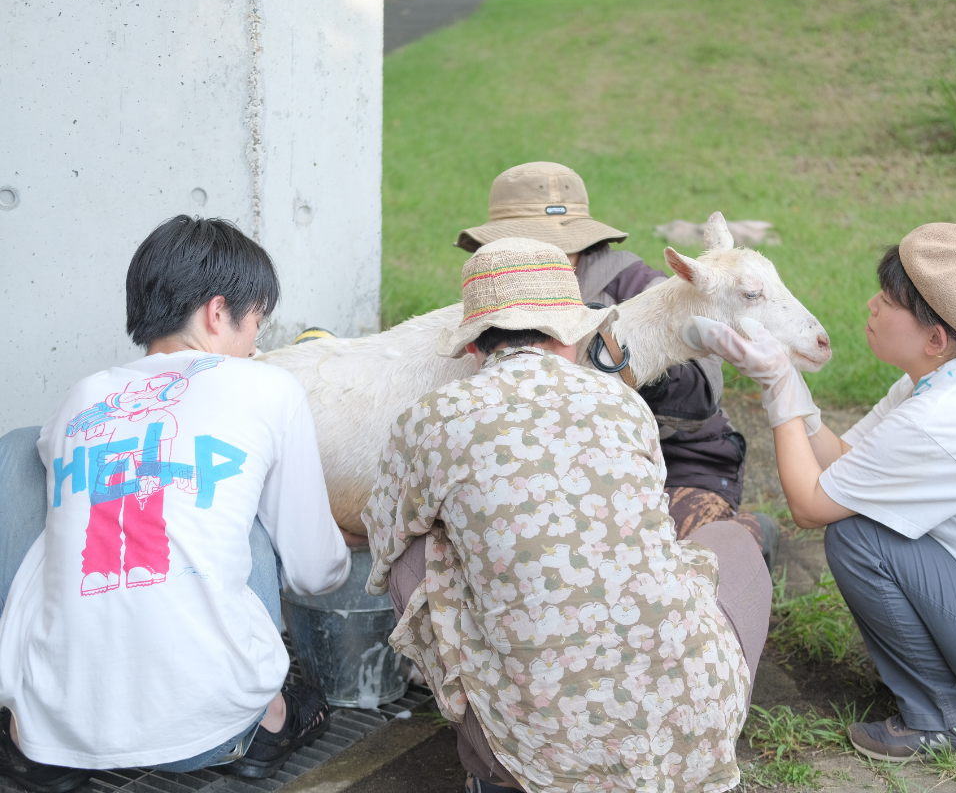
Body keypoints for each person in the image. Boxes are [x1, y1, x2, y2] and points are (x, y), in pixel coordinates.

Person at [688, 223, 956, 760]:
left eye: (889, 300)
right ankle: (950, 684)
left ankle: (949, 717)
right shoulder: (952, 382)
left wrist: (778, 389)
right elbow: (845, 465)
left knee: (855, 534)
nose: (871, 304)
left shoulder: (944, 417)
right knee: (859, 513)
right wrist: (788, 384)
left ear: (935, 338)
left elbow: (811, 505)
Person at [362, 237, 773, 792]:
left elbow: (382, 534)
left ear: (472, 348)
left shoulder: (431, 417)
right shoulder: (625, 404)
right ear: (572, 334)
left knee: (413, 548)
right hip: (692, 722)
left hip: (537, 750)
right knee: (733, 540)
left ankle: (488, 762)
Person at [0, 216, 352, 791]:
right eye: (255, 323)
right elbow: (315, 573)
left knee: (20, 450)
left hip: (56, 731)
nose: (255, 344)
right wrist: (344, 545)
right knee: (238, 504)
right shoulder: (266, 386)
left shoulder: (82, 396)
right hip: (215, 729)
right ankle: (270, 720)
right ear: (218, 313)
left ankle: (26, 734)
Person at [455, 161, 776, 558]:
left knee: (657, 561)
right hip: (558, 467)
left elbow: (701, 396)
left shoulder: (641, 287)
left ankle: (746, 537)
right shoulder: (497, 289)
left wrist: (628, 363)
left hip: (674, 462)